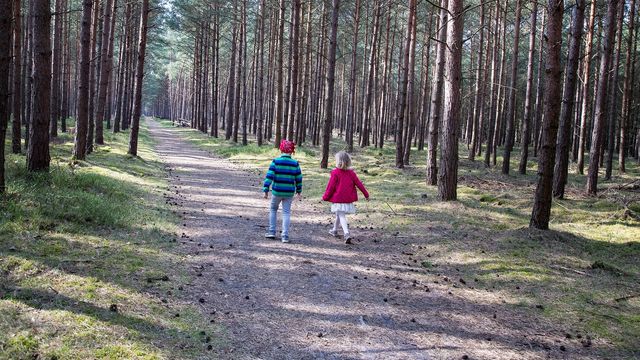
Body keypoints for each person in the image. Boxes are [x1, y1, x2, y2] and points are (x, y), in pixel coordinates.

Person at [322, 151, 369, 244]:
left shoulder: (335, 172)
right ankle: (334, 230)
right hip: (347, 198)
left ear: (338, 161)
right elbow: (359, 184)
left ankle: (346, 233)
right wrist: (366, 194)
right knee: (339, 214)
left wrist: (325, 197)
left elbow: (330, 187)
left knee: (341, 215)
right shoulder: (351, 173)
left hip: (338, 198)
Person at [263, 139, 303, 243]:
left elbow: (269, 176)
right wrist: (299, 191)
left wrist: (266, 189)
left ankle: (272, 231)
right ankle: (285, 236)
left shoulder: (276, 161)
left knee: (273, 209)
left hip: (277, 191)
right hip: (289, 193)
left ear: (281, 149)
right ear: (291, 151)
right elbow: (299, 178)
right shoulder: (295, 163)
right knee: (286, 213)